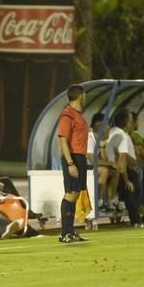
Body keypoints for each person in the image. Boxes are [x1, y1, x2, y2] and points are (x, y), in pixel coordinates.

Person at [57, 84, 89, 243]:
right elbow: (63, 141)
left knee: (75, 194)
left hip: (79, 158)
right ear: (80, 96)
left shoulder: (78, 115)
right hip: (73, 158)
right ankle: (65, 233)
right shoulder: (67, 115)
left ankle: (70, 231)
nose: (86, 97)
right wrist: (70, 163)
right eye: (85, 94)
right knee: (70, 194)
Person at [106, 110, 143, 228]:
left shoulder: (112, 132)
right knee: (130, 190)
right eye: (130, 121)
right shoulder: (121, 136)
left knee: (130, 191)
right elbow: (121, 160)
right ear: (126, 123)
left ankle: (137, 218)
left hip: (111, 169)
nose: (131, 123)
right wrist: (127, 180)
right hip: (117, 171)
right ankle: (136, 221)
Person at [87, 112, 119, 211]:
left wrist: (102, 147)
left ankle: (110, 202)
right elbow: (92, 160)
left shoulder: (99, 140)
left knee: (114, 172)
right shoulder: (89, 137)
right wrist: (111, 163)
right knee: (104, 170)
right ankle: (98, 203)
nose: (108, 128)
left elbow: (104, 160)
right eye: (106, 125)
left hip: (92, 167)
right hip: (83, 167)